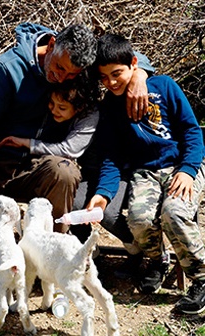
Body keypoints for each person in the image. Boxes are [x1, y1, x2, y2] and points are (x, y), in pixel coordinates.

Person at [0, 22, 151, 309]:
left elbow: (122, 56)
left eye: (71, 75)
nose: (62, 77)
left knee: (64, 171)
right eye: (59, 69)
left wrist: (140, 74)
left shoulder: (76, 61)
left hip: (35, 168)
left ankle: (54, 261)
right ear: (51, 45)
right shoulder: (8, 69)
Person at [86, 33, 205, 314]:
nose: (111, 82)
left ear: (134, 64)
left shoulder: (164, 86)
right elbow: (111, 157)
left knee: (173, 212)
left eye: (117, 74)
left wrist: (188, 170)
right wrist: (103, 195)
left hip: (182, 167)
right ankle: (156, 260)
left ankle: (200, 278)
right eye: (104, 77)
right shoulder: (109, 108)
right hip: (146, 173)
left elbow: (191, 132)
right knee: (138, 219)